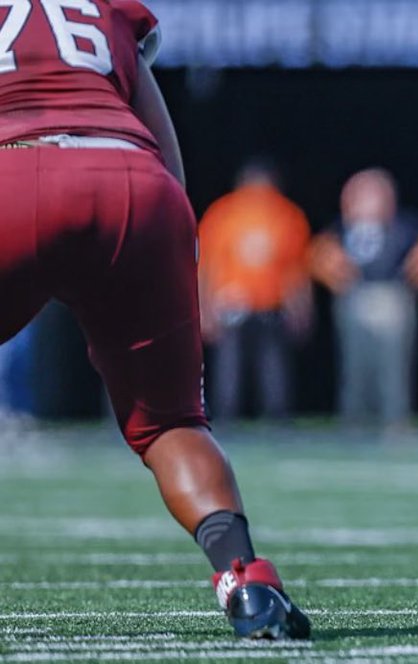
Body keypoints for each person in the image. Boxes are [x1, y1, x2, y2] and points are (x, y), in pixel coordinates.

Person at [0, 0, 308, 639]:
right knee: (172, 424)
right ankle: (247, 583)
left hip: (11, 168)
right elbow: (168, 155)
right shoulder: (105, 10)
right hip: (134, 181)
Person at [309, 168, 418, 431]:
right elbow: (318, 253)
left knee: (394, 367)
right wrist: (335, 275)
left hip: (392, 295)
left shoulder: (406, 224)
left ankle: (395, 421)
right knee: (354, 365)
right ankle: (354, 420)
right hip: (355, 296)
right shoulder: (341, 229)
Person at [198, 160, 312, 420]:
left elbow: (295, 271)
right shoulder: (284, 213)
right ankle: (261, 418)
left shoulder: (225, 212)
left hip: (253, 305)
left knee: (264, 368)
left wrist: (205, 309)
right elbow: (296, 273)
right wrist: (302, 311)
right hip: (244, 304)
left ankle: (260, 418)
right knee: (243, 368)